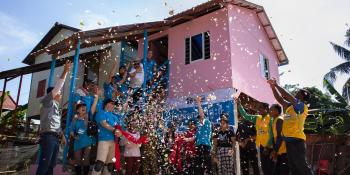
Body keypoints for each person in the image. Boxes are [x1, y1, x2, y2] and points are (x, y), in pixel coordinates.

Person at [267, 79, 313, 175]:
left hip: (297, 141)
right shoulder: (289, 106)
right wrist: (272, 88)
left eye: (298, 94)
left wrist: (276, 85)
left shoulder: (301, 106)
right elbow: (280, 99)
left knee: (302, 166)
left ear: (302, 97)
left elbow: (287, 96)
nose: (295, 94)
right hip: (289, 142)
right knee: (294, 168)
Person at [36, 61, 71, 175]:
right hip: (48, 137)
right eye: (58, 92)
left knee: (51, 165)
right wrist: (65, 71)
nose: (60, 93)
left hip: (55, 138)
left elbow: (56, 124)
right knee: (44, 165)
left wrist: (63, 136)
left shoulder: (56, 107)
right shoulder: (47, 102)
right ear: (52, 93)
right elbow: (58, 87)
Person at [236, 98, 274, 175]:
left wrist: (268, 146)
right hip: (262, 147)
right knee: (264, 169)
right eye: (258, 107)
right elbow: (245, 116)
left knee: (271, 169)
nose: (258, 109)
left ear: (266, 109)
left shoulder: (271, 119)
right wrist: (239, 105)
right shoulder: (257, 118)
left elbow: (272, 134)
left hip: (270, 148)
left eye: (260, 107)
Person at [92, 99, 123, 175]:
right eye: (111, 103)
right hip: (104, 140)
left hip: (114, 142)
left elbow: (119, 128)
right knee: (99, 163)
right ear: (106, 104)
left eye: (114, 104)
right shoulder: (101, 112)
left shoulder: (115, 116)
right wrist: (114, 130)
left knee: (109, 165)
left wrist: (121, 133)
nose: (113, 105)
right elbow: (103, 124)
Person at [70, 104, 94, 175]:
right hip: (78, 141)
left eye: (84, 107)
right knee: (78, 160)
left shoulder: (89, 116)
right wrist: (74, 136)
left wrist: (86, 118)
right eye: (81, 107)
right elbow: (71, 130)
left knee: (86, 159)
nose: (83, 108)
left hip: (87, 141)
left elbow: (86, 125)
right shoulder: (75, 119)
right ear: (77, 110)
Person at [269, 104, 289, 175]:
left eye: (271, 110)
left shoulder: (279, 119)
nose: (269, 111)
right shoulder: (275, 120)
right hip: (280, 152)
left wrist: (274, 151)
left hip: (284, 152)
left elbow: (279, 137)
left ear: (277, 111)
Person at [195, 96, 213, 175]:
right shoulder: (199, 125)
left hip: (205, 146)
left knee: (207, 166)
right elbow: (197, 136)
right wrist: (189, 139)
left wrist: (198, 103)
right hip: (199, 146)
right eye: (198, 118)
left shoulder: (207, 122)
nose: (199, 119)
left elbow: (202, 115)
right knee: (199, 167)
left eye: (200, 117)